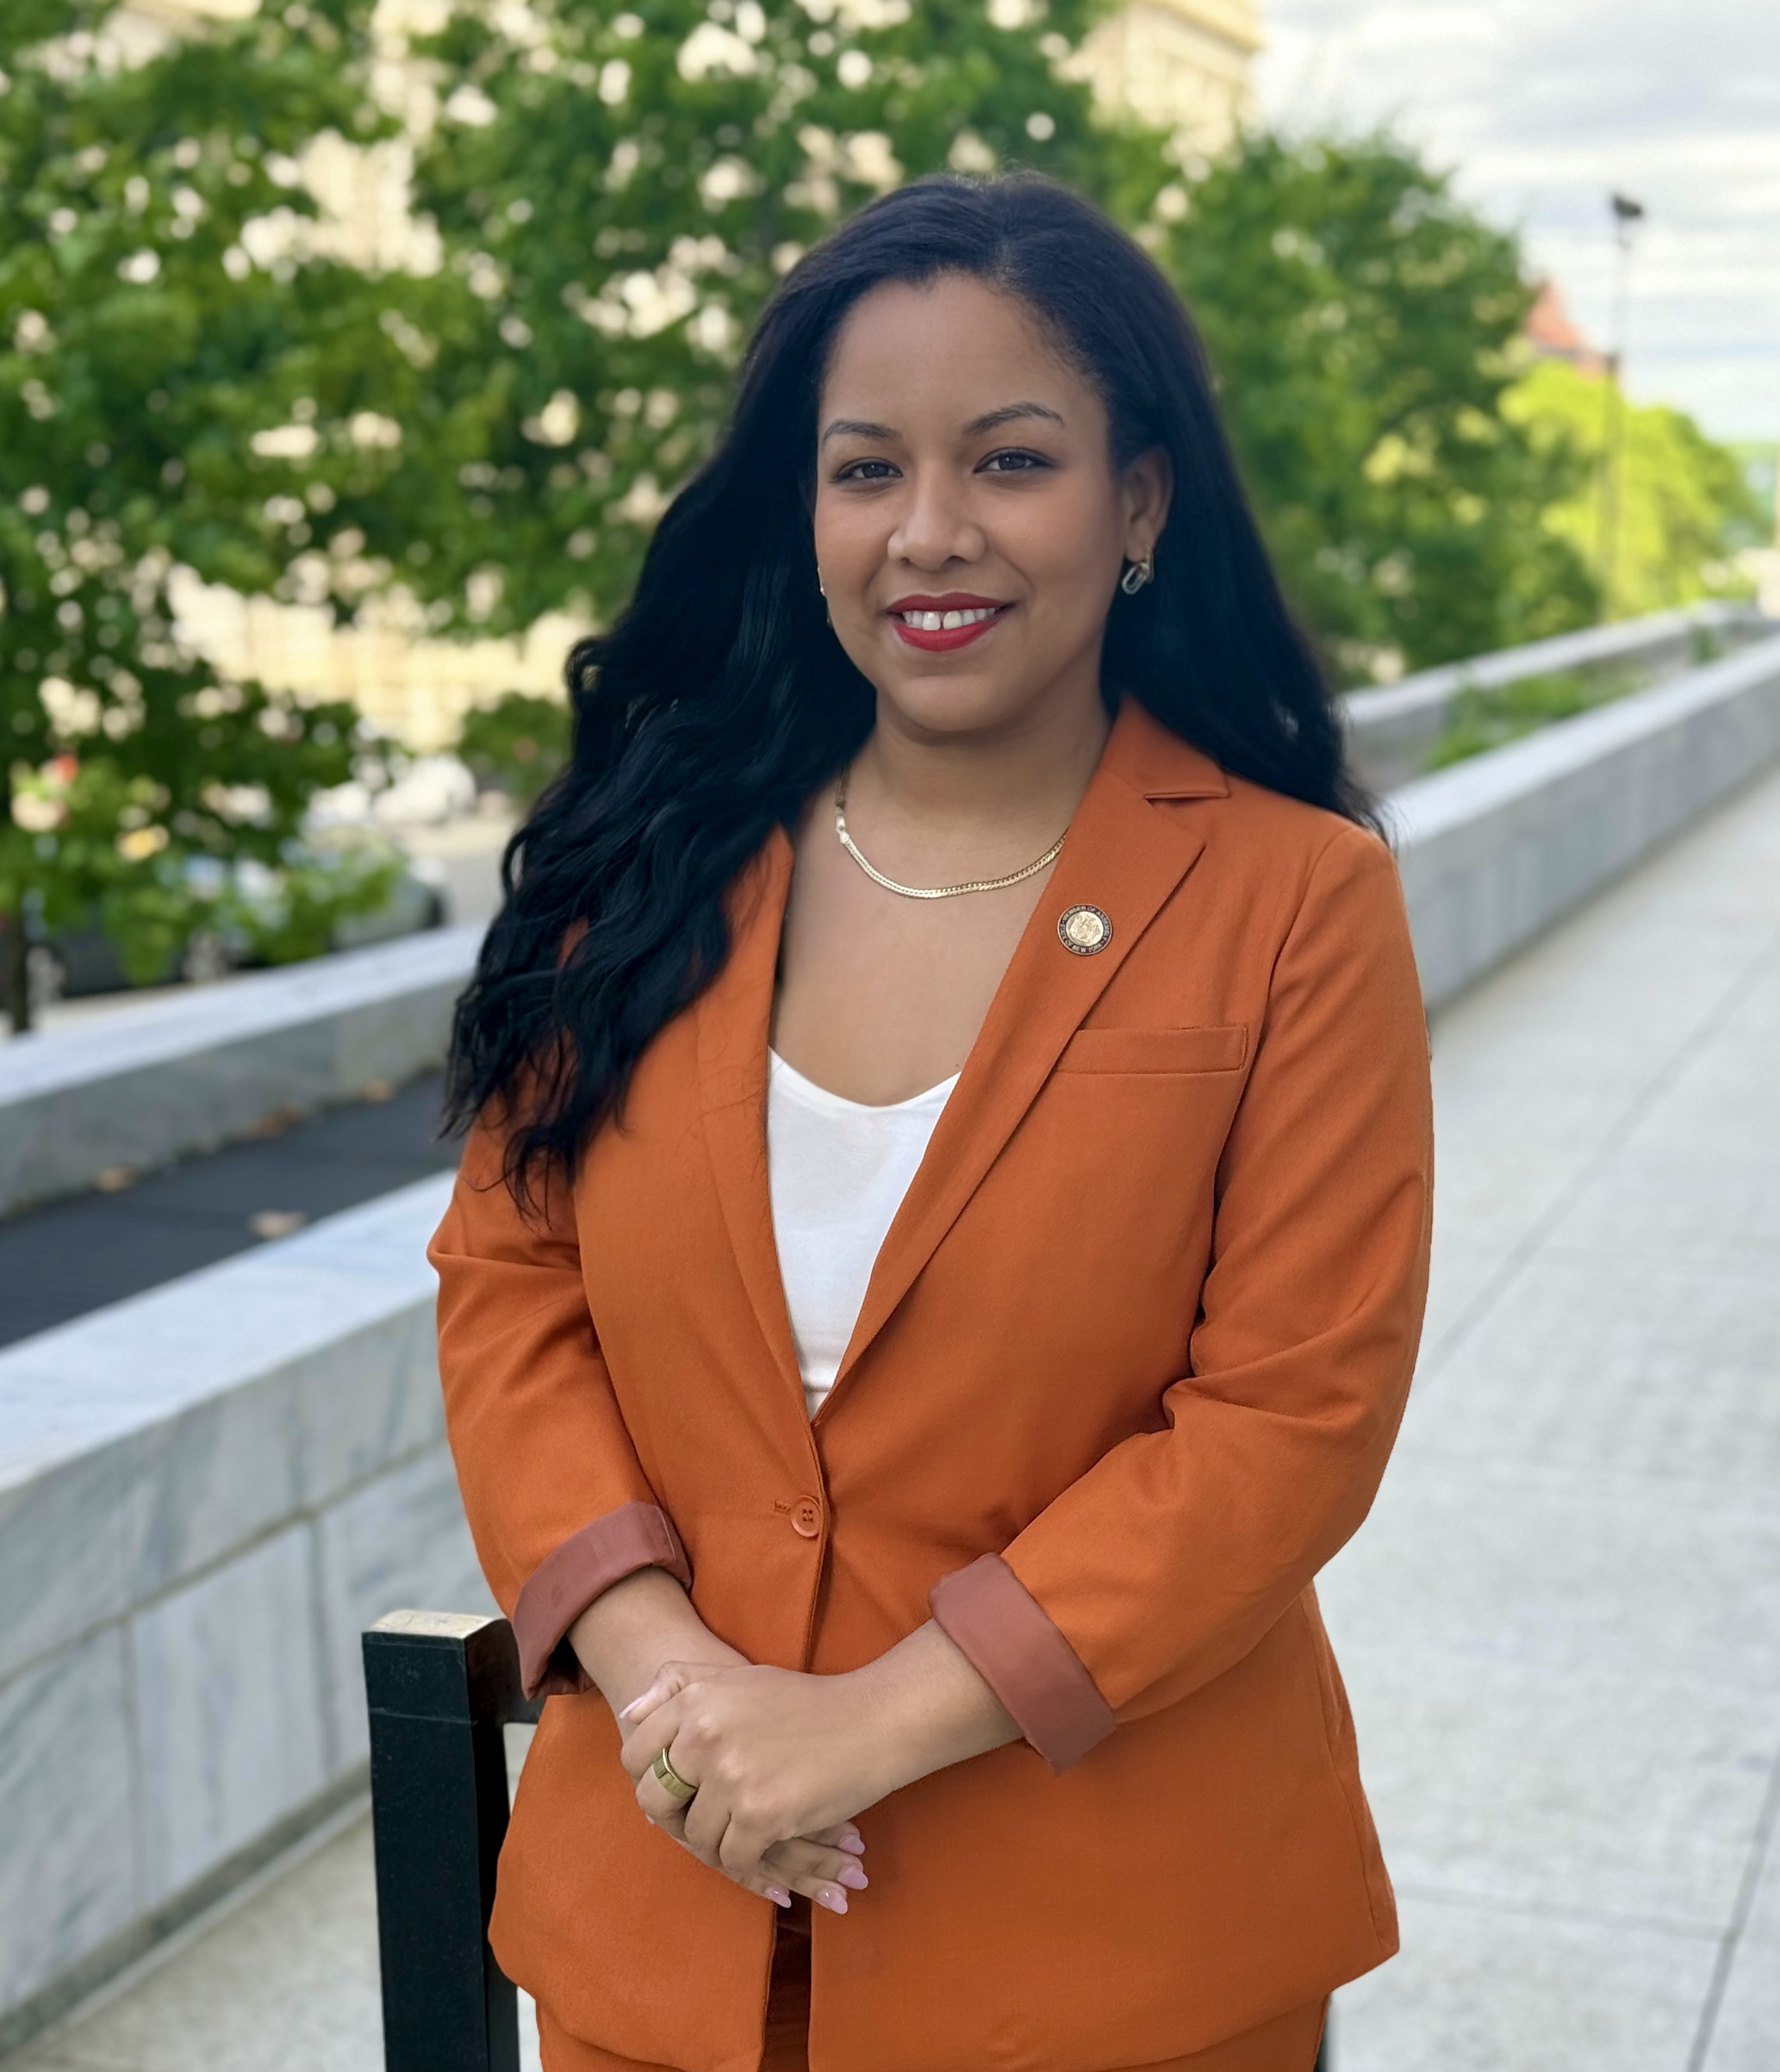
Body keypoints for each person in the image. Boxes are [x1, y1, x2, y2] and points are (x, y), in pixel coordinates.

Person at [431, 171, 1433, 2072]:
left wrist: (861, 1723)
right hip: (664, 1911)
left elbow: (1287, 1415)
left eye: (1011, 460)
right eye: (866, 469)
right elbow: (509, 1289)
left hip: (1119, 1948)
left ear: (1138, 502)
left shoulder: (1294, 899)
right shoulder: (639, 867)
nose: (930, 533)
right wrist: (674, 1691)